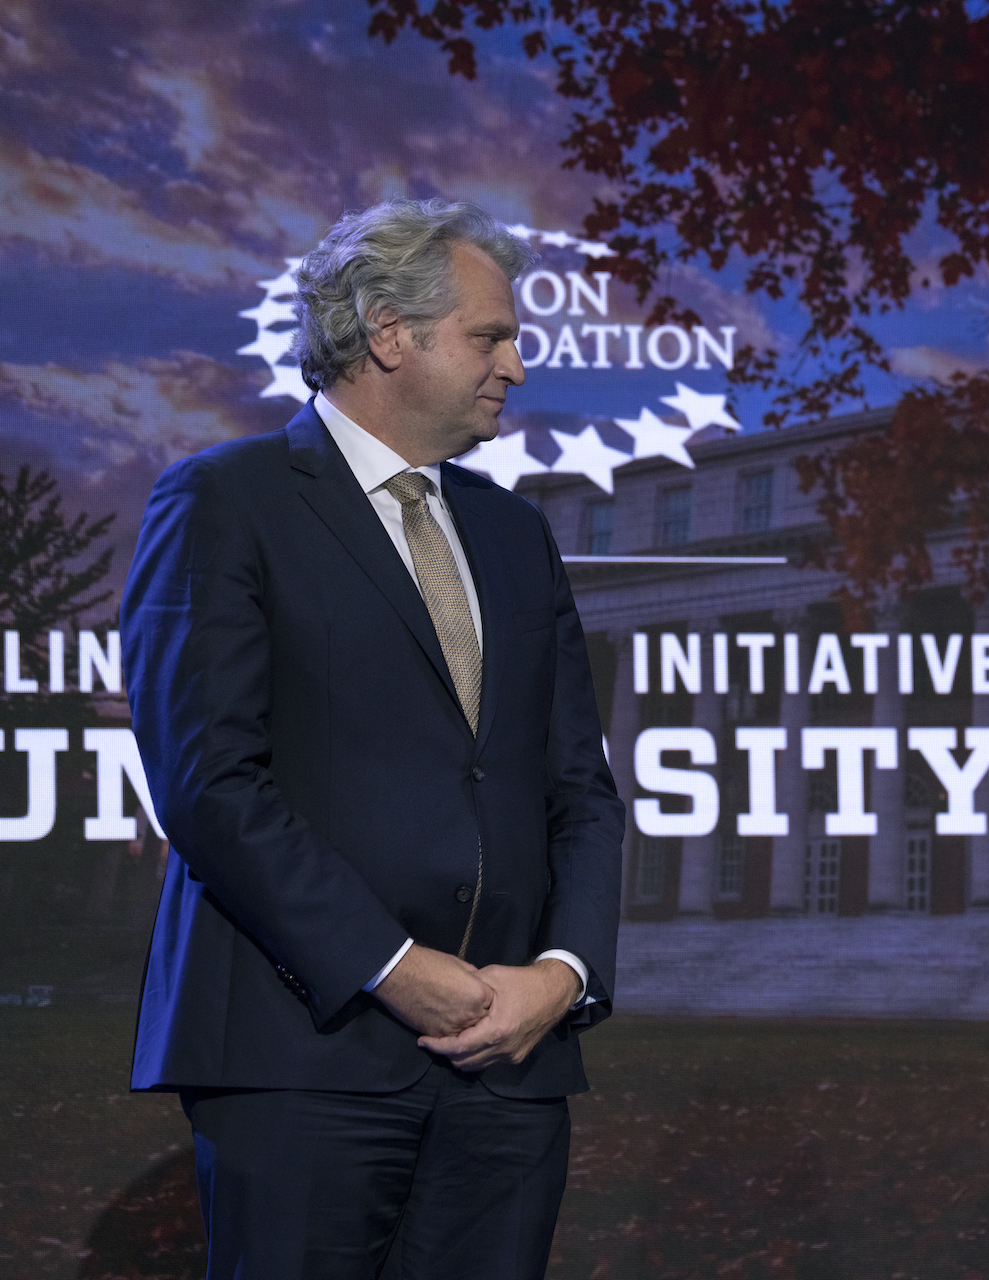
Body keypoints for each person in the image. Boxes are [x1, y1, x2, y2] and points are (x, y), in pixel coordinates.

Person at [122, 199, 625, 1278]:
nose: (518, 366)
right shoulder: (224, 501)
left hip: (512, 1068)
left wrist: (564, 971)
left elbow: (579, 789)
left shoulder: (517, 534)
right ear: (389, 332)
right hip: (302, 1056)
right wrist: (390, 965)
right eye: (491, 336)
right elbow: (210, 782)